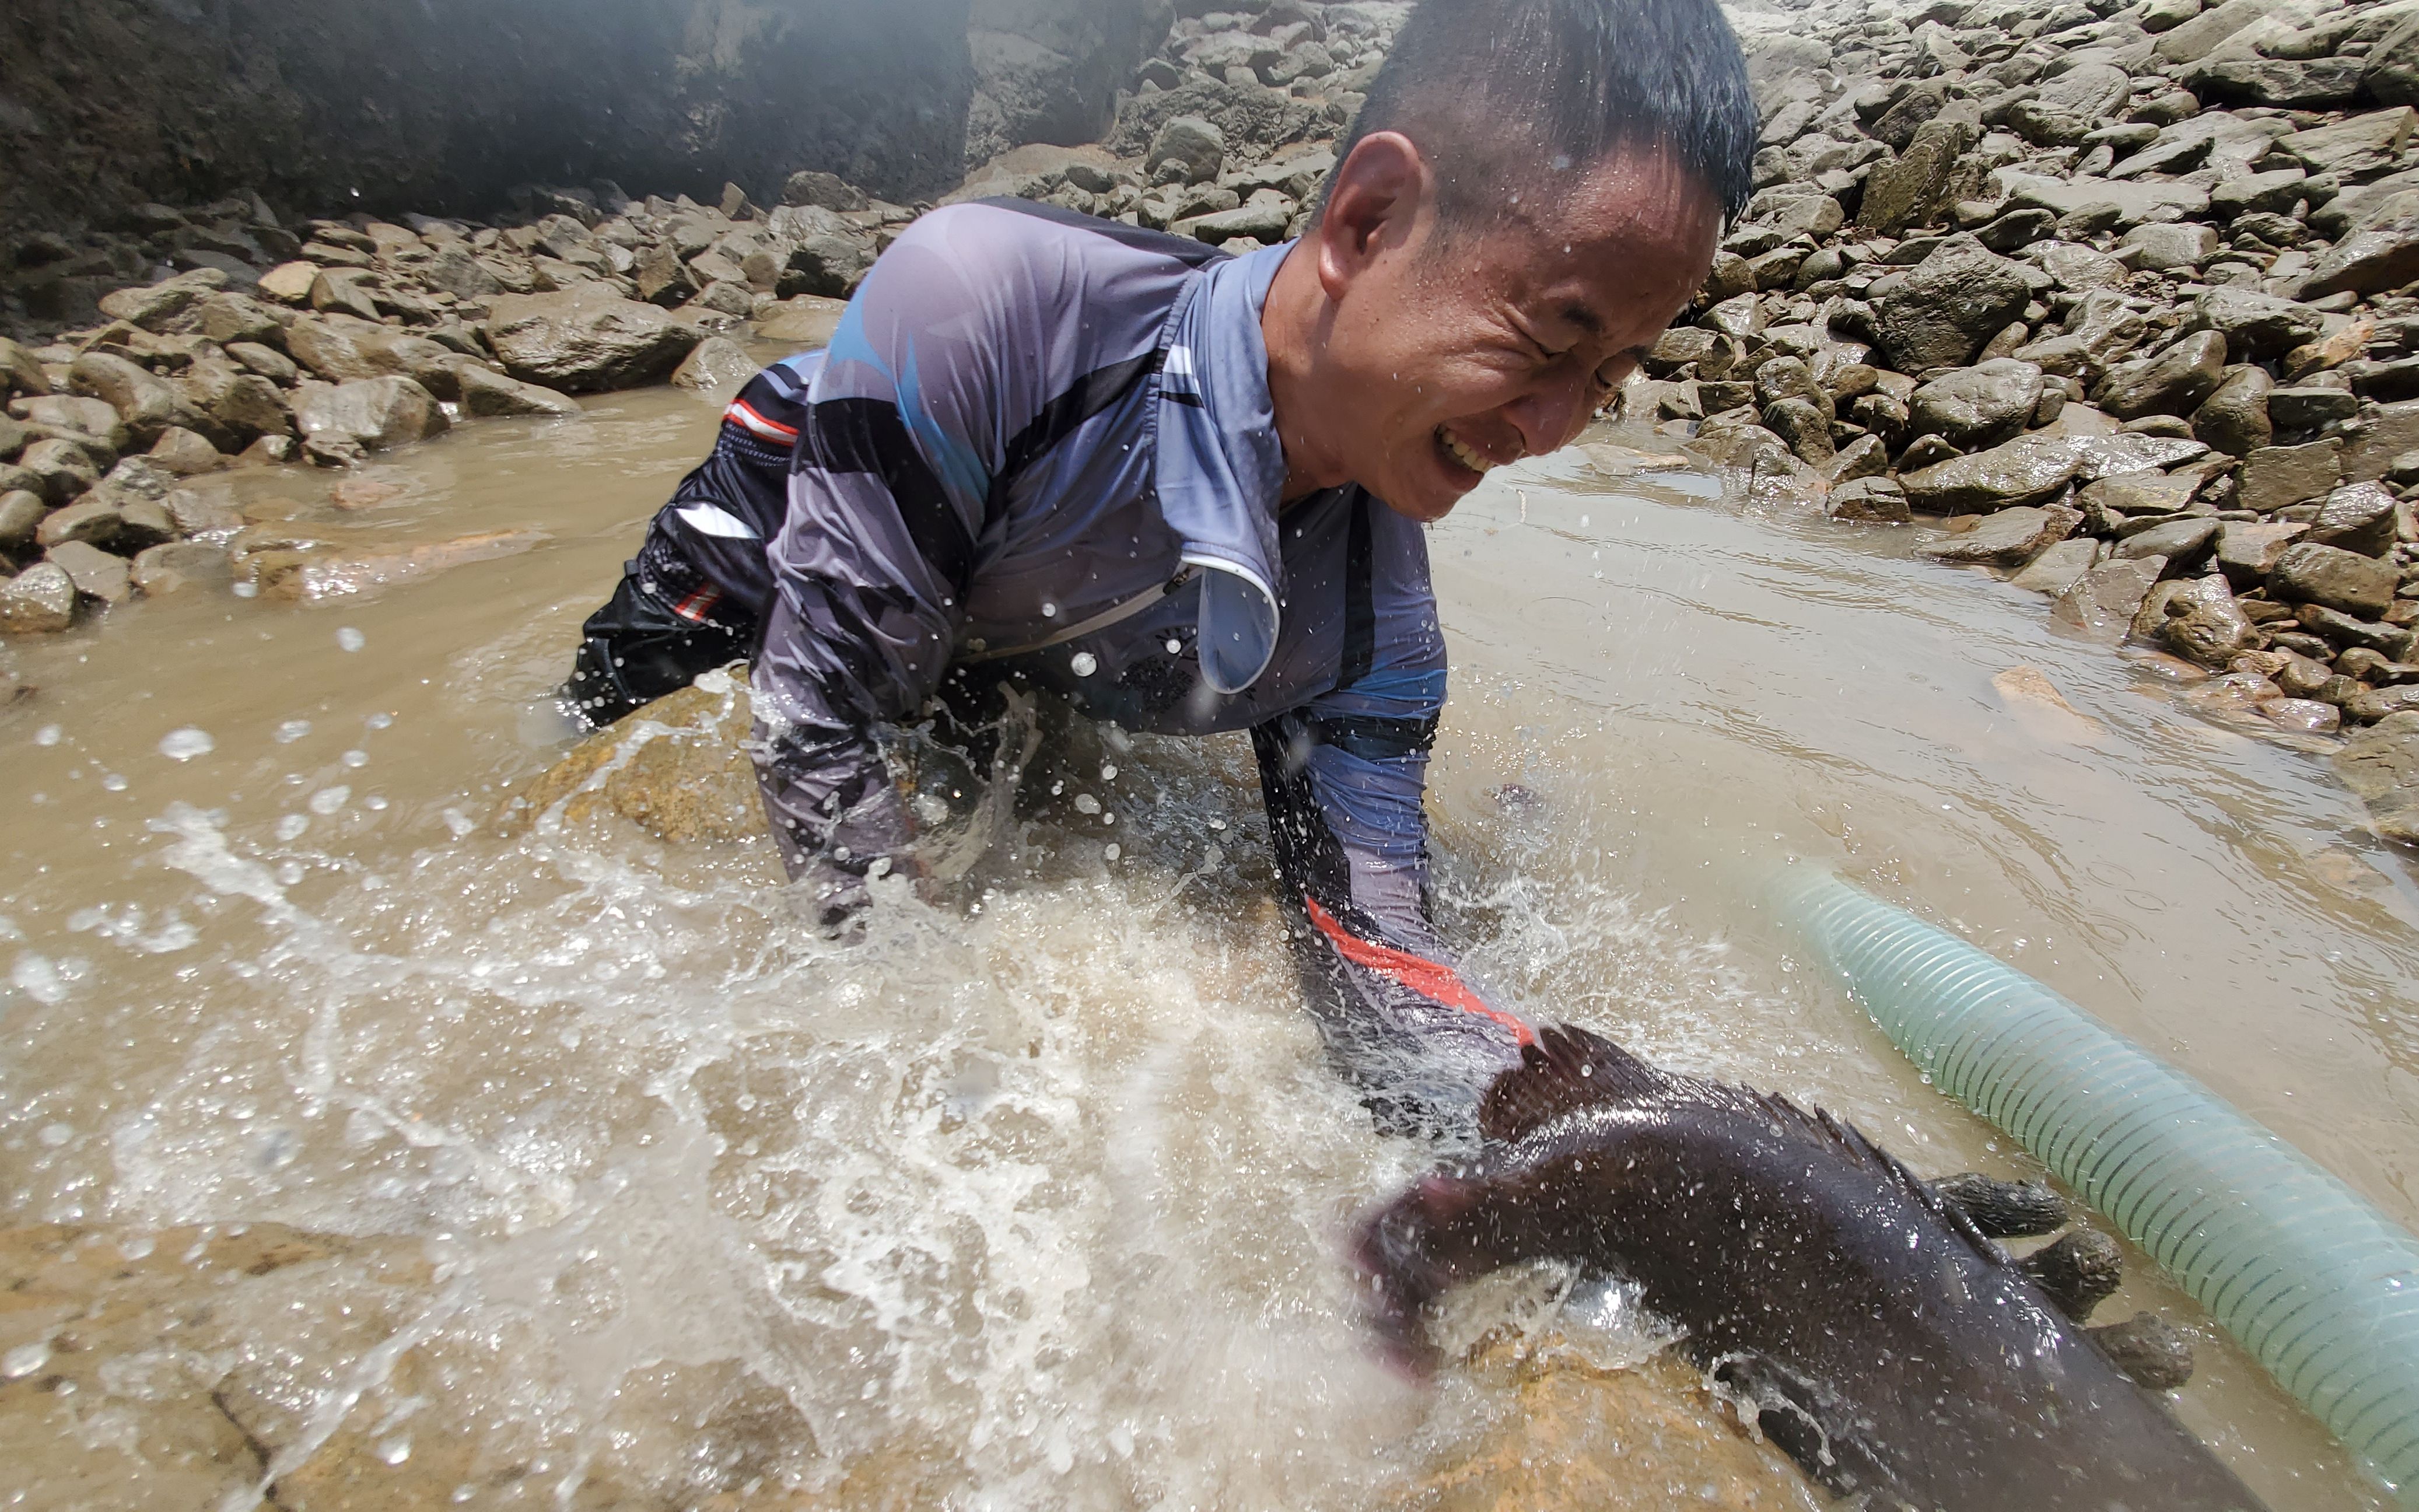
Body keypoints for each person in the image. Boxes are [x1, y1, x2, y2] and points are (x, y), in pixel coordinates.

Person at [563, 0, 1755, 1130]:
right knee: (571, 775)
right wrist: (928, 1057)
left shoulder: (1377, 646)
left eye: (1608, 381)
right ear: (1369, 219)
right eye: (1552, 338)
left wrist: (1549, 1148)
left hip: (1014, 639)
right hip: (789, 529)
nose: (1551, 429)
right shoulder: (985, 301)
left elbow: (1379, 961)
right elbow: (817, 724)